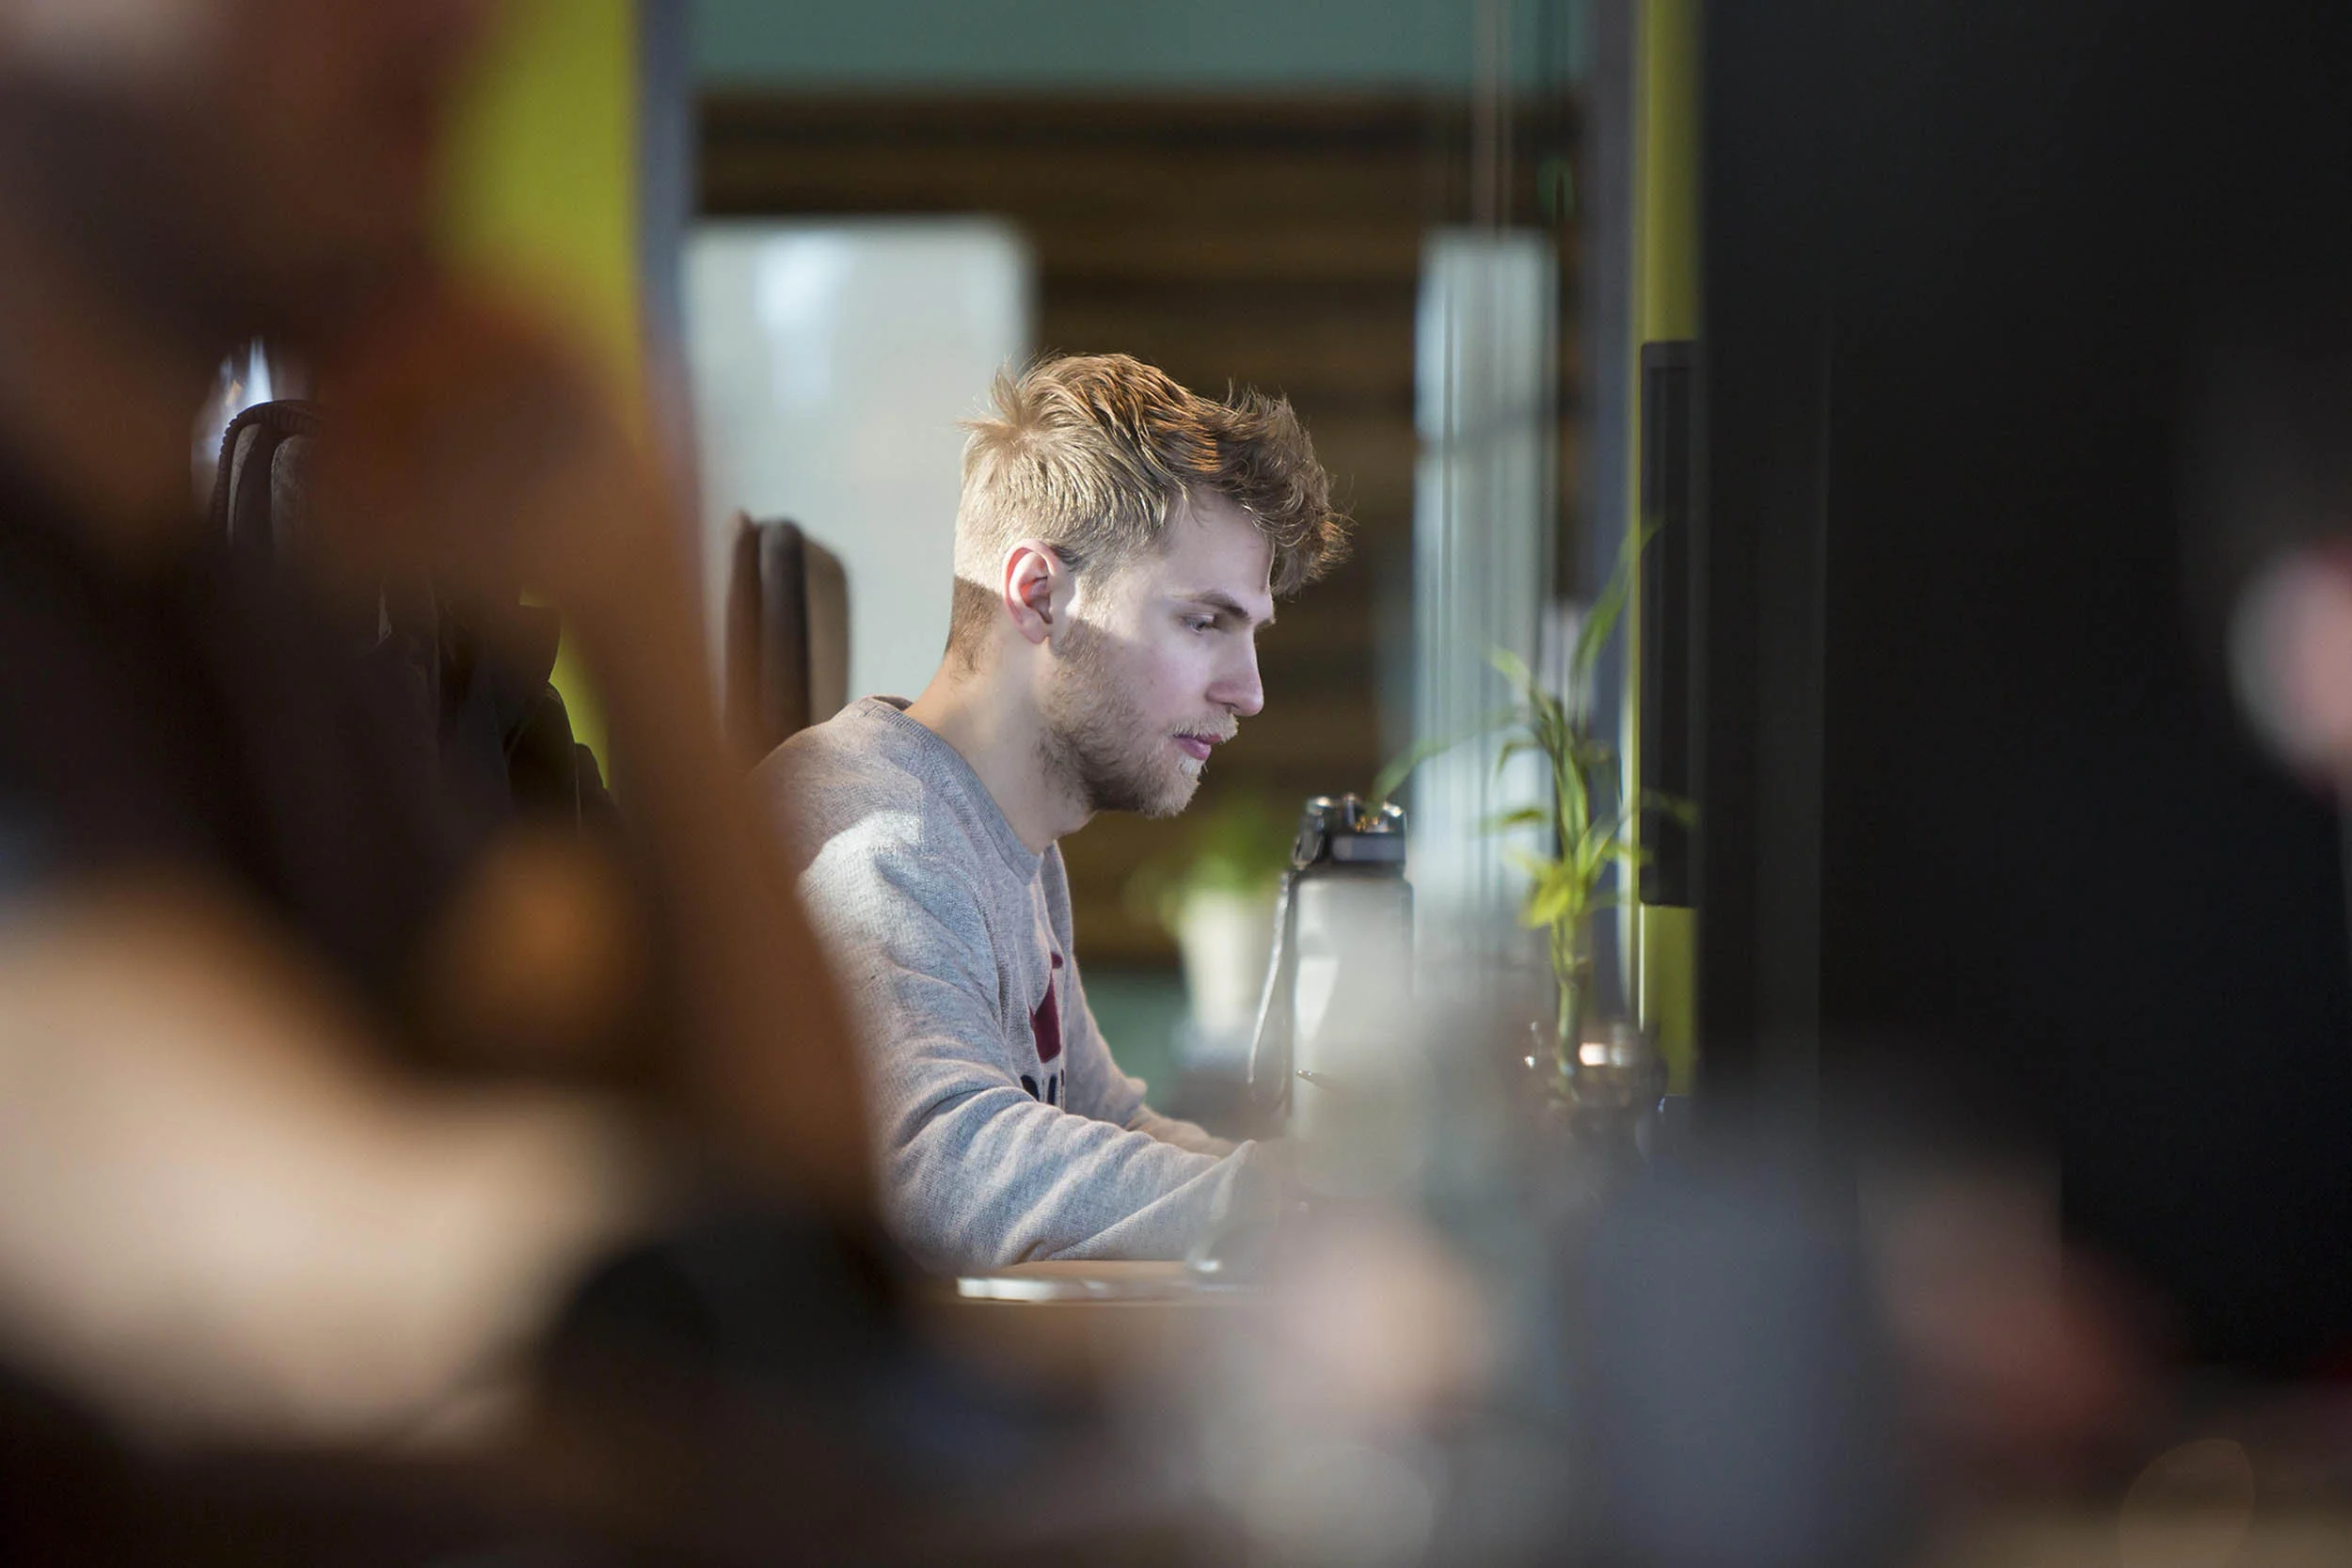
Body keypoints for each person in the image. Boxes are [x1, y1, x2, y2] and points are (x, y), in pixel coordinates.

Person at [0, 0, 872, 1465]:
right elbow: (116, 1123)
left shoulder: (259, 628)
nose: (464, 27)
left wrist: (636, 592)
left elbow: (787, 1159)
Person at [757, 353, 1349, 1270]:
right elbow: (938, 1164)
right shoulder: (877, 836)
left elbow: (1105, 1122)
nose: (1249, 691)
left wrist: (1320, 1195)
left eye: (1251, 632)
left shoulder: (1012, 840)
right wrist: (1283, 1208)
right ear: (1038, 595)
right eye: (1205, 622)